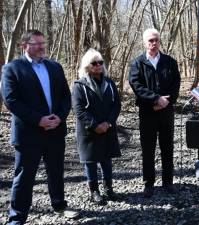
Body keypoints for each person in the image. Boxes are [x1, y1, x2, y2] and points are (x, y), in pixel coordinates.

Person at [1, 30, 77, 225]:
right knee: (24, 176)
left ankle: (59, 204)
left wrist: (59, 117)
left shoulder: (55, 67)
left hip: (55, 130)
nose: (42, 47)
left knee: (56, 171)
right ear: (24, 45)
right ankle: (17, 217)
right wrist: (39, 120)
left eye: (44, 43)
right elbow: (11, 101)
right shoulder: (12, 69)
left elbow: (65, 97)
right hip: (28, 133)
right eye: (37, 43)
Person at [128, 28, 181, 198]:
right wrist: (155, 99)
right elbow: (136, 85)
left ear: (160, 41)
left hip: (166, 112)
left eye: (156, 40)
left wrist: (167, 101)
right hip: (147, 112)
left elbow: (176, 85)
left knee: (167, 147)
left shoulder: (170, 62)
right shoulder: (138, 63)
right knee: (148, 149)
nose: (153, 43)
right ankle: (148, 184)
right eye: (150, 40)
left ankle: (168, 182)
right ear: (144, 42)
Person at [72, 49, 121, 204]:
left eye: (100, 62)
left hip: (107, 127)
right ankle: (94, 192)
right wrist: (94, 125)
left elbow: (116, 105)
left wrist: (109, 122)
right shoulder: (79, 85)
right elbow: (78, 109)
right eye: (94, 63)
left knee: (106, 160)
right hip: (89, 131)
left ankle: (109, 189)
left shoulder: (110, 83)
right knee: (91, 162)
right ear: (87, 65)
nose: (98, 65)